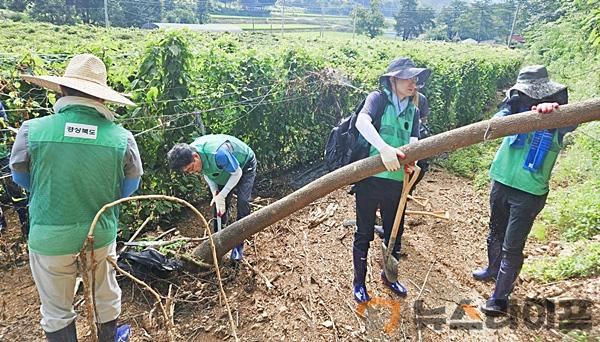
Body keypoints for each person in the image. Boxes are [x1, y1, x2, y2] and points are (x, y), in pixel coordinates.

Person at [10, 54, 143, 341]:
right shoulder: (122, 138)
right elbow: (130, 185)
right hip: (101, 233)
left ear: (62, 91)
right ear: (102, 99)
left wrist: (53, 190)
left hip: (49, 237)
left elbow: (20, 175)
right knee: (106, 296)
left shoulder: (32, 131)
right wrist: (99, 194)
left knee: (56, 309)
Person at [473, 65, 575, 316]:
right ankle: (492, 269)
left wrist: (550, 113)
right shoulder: (513, 108)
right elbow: (496, 123)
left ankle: (499, 298)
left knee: (512, 244)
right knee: (495, 231)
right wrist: (518, 115)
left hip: (529, 192)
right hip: (502, 180)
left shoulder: (560, 118)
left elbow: (572, 125)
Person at [351, 57, 430, 303]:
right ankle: (359, 282)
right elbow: (362, 122)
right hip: (370, 179)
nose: (413, 83)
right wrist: (384, 148)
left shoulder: (413, 110)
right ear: (393, 79)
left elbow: (414, 141)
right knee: (364, 232)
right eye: (407, 78)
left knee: (394, 232)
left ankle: (390, 276)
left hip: (397, 183)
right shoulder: (377, 99)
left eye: (415, 79)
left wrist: (412, 162)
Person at [167, 134, 257, 262]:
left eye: (191, 168)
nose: (192, 172)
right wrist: (216, 192)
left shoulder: (218, 154)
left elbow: (237, 173)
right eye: (188, 171)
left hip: (243, 166)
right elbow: (208, 174)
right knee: (218, 209)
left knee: (243, 203)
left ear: (196, 156)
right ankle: (218, 243)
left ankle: (238, 245)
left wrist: (223, 194)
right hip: (223, 171)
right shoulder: (193, 156)